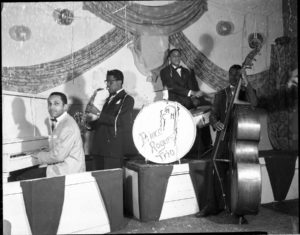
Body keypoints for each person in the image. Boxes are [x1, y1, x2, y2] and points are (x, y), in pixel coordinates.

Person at [195, 64, 258, 223]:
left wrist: (246, 82)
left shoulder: (245, 93)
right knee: (214, 168)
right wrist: (215, 123)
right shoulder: (221, 94)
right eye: (231, 74)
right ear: (228, 75)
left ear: (241, 76)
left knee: (238, 175)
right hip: (223, 137)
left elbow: (255, 103)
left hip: (240, 137)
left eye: (237, 74)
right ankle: (212, 206)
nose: (234, 77)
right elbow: (213, 114)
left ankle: (239, 210)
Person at [16, 92, 86, 180]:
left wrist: (38, 155)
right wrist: (42, 150)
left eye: (56, 104)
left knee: (22, 177)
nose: (51, 107)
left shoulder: (68, 125)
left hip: (67, 170)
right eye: (49, 104)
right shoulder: (63, 121)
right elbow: (59, 147)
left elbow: (58, 156)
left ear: (65, 107)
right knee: (28, 173)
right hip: (62, 166)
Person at [160, 48, 213, 156]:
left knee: (200, 124)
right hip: (175, 106)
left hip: (188, 105)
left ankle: (203, 150)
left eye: (179, 56)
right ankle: (183, 153)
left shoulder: (186, 71)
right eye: (174, 56)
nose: (177, 58)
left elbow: (191, 87)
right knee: (181, 132)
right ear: (169, 58)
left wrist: (195, 99)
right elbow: (172, 86)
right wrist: (192, 92)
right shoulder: (164, 71)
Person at [87, 69, 135, 170]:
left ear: (120, 82)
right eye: (106, 82)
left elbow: (121, 121)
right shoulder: (107, 99)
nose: (107, 85)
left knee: (110, 183)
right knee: (97, 182)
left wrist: (97, 113)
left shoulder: (127, 99)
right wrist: (89, 125)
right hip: (99, 148)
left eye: (110, 82)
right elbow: (102, 122)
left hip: (112, 151)